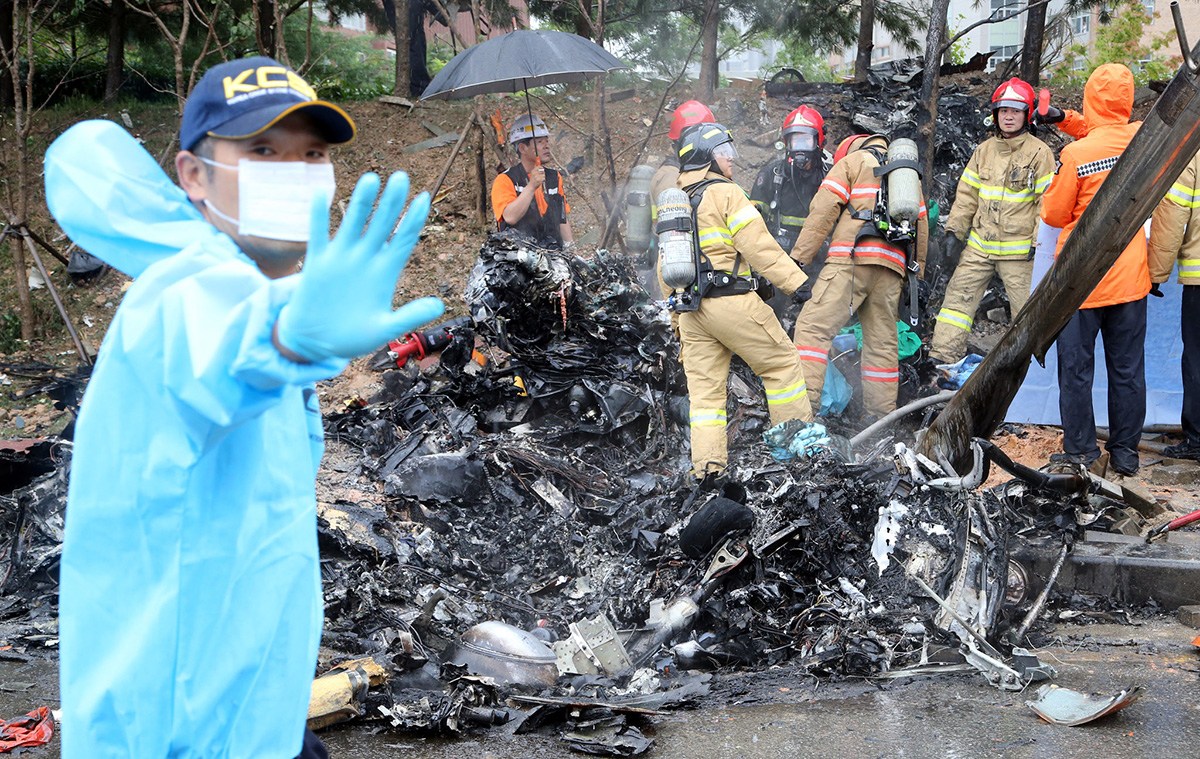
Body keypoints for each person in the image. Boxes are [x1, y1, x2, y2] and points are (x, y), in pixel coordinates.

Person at [53, 56, 444, 758]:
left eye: (312, 155)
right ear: (193, 174)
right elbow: (229, 350)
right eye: (262, 151)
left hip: (244, 714)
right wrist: (290, 339)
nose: (292, 173)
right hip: (173, 733)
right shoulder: (183, 292)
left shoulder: (235, 279)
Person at [667, 123, 814, 477]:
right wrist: (796, 284)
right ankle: (798, 455)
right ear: (708, 158)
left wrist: (675, 321)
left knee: (705, 399)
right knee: (781, 366)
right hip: (731, 302)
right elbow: (759, 247)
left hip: (690, 312)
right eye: (724, 153)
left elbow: (666, 269)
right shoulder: (726, 193)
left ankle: (708, 470)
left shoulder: (675, 203)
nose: (731, 160)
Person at [1041, 63, 1149, 475]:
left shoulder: (1077, 155)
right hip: (1130, 279)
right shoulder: (1143, 139)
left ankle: (1082, 452)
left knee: (1077, 371)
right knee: (1127, 371)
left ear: (1089, 97)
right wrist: (1066, 120)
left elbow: (1053, 214)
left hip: (1081, 283)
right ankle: (1126, 454)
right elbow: (1105, 127)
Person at [790, 133, 929, 418]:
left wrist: (798, 261)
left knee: (812, 330)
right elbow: (922, 227)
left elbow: (823, 211)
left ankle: (803, 415)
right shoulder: (906, 176)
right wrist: (918, 277)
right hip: (892, 270)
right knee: (881, 346)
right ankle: (879, 420)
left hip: (850, 261)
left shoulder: (853, 162)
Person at [929, 78, 1055, 363]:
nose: (1008, 116)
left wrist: (1040, 242)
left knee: (1027, 312)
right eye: (1003, 111)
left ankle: (1030, 367)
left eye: (1015, 111)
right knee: (957, 301)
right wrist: (954, 233)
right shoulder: (983, 151)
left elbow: (1046, 202)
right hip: (980, 246)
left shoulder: (1039, 153)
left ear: (1028, 114)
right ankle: (942, 358)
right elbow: (967, 196)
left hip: (1019, 251)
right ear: (995, 114)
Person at [1147, 148, 1200, 460]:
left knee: (1196, 359)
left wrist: (1156, 273)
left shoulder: (1193, 154)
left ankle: (1197, 440)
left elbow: (1172, 218)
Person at [749, 104, 827, 256]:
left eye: (806, 141)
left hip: (817, 255)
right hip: (778, 254)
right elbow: (753, 221)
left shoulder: (830, 176)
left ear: (819, 141)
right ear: (787, 143)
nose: (800, 148)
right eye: (795, 141)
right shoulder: (771, 174)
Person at [490, 113, 574, 248]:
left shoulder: (554, 177)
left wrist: (571, 249)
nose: (546, 146)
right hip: (518, 258)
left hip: (552, 254)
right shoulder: (505, 180)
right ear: (523, 148)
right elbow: (510, 217)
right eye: (540, 142)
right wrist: (532, 186)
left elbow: (562, 218)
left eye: (546, 141)